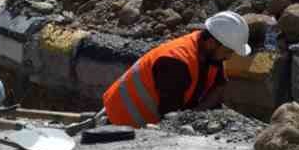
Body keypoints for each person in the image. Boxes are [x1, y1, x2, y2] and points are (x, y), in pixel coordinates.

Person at [101, 11, 253, 128]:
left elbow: (219, 87)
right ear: (212, 43)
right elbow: (172, 119)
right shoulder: (175, 63)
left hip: (149, 122)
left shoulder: (211, 53)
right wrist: (199, 114)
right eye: (228, 51)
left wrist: (202, 110)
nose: (229, 57)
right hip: (123, 122)